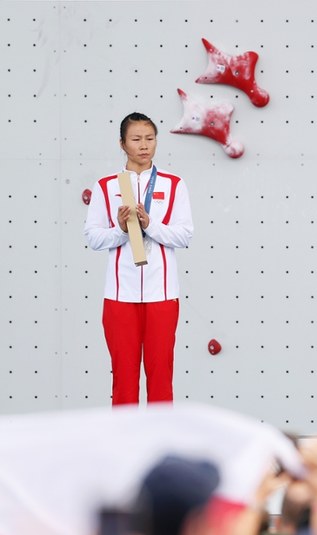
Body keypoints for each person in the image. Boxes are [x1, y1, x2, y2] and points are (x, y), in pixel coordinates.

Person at [84, 112, 194, 405]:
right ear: (122, 144)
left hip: (162, 295)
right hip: (120, 297)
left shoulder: (173, 184)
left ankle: (162, 444)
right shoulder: (106, 186)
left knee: (161, 375)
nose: (144, 146)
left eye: (150, 139)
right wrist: (121, 230)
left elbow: (184, 236)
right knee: (123, 376)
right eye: (136, 140)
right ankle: (125, 446)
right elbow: (94, 238)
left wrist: (150, 225)